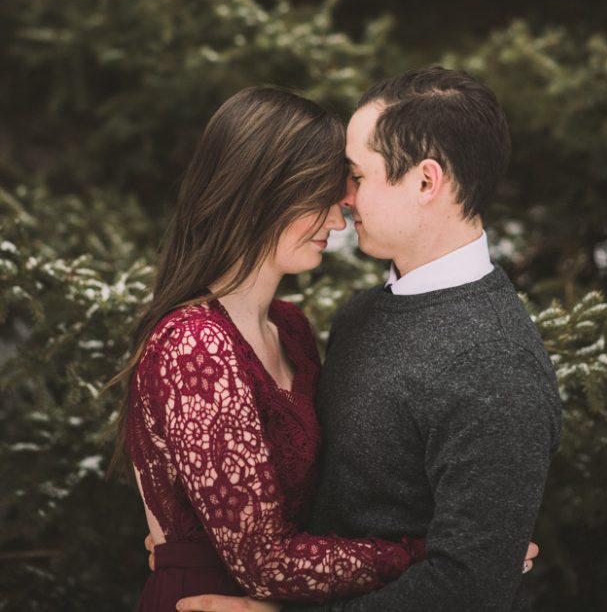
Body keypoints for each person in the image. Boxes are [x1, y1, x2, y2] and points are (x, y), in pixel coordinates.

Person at [174, 66, 562, 612]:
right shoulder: (363, 315)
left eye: (357, 175)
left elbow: (466, 589)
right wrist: (198, 541)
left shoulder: (496, 364)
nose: (343, 197)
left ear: (427, 182)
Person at [114, 86, 428, 612]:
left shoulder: (291, 328)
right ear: (265, 193)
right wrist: (431, 554)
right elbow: (266, 564)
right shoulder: (197, 348)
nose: (338, 219)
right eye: (321, 196)